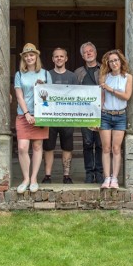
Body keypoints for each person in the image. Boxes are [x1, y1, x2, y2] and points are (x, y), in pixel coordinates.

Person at [14, 43, 52, 194]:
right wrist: (27, 114)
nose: (29, 57)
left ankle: (34, 178)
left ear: (36, 56)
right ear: (23, 58)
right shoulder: (19, 74)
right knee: (23, 147)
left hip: (41, 114)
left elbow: (50, 95)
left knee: (37, 147)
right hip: (24, 114)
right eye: (26, 55)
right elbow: (19, 96)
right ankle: (25, 179)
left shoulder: (45, 73)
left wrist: (43, 87)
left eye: (32, 55)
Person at [42, 48, 78, 184]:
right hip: (50, 117)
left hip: (67, 117)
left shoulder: (72, 76)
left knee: (67, 147)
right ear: (52, 59)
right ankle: (47, 176)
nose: (59, 59)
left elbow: (77, 96)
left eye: (61, 56)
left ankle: (66, 175)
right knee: (48, 147)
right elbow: (42, 96)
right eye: (56, 56)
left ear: (66, 58)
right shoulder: (46, 75)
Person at [98, 49, 133, 189]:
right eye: (111, 61)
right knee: (106, 148)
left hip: (120, 115)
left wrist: (110, 89)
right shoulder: (104, 77)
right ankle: (106, 178)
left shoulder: (127, 77)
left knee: (116, 148)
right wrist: (97, 115)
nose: (114, 63)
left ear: (121, 61)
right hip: (105, 114)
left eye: (116, 60)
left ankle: (115, 179)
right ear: (108, 63)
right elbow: (101, 98)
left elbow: (126, 96)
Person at [74, 41, 104, 184]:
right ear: (82, 56)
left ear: (96, 53)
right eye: (85, 52)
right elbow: (71, 91)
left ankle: (99, 172)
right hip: (84, 113)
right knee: (87, 143)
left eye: (90, 51)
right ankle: (88, 172)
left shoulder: (105, 69)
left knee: (100, 144)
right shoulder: (78, 72)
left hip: (102, 112)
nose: (88, 53)